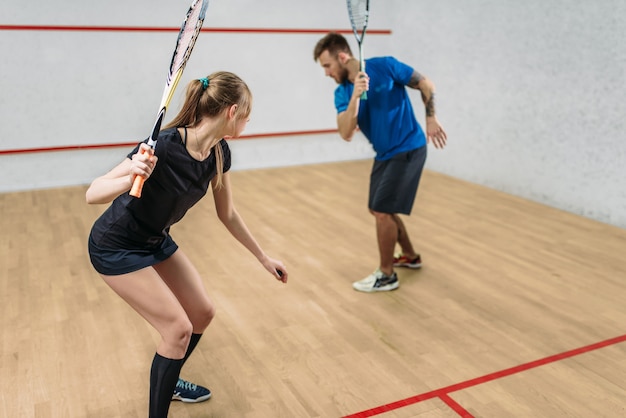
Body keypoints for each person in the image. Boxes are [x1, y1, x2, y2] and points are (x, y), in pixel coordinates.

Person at [86, 71, 288, 417]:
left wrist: (263, 258)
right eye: (247, 113)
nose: (249, 120)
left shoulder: (219, 152)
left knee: (202, 313)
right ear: (232, 111)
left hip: (154, 238)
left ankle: (171, 373)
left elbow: (229, 215)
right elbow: (93, 193)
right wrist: (130, 173)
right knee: (177, 329)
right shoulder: (163, 146)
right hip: (115, 246)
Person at [313, 32, 447, 293]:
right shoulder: (342, 92)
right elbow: (346, 133)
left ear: (342, 57)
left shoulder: (385, 66)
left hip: (409, 146)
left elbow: (426, 84)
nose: (327, 73)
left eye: (327, 66)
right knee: (378, 209)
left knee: (383, 210)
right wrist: (355, 95)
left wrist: (431, 117)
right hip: (384, 154)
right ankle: (409, 255)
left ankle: (387, 275)